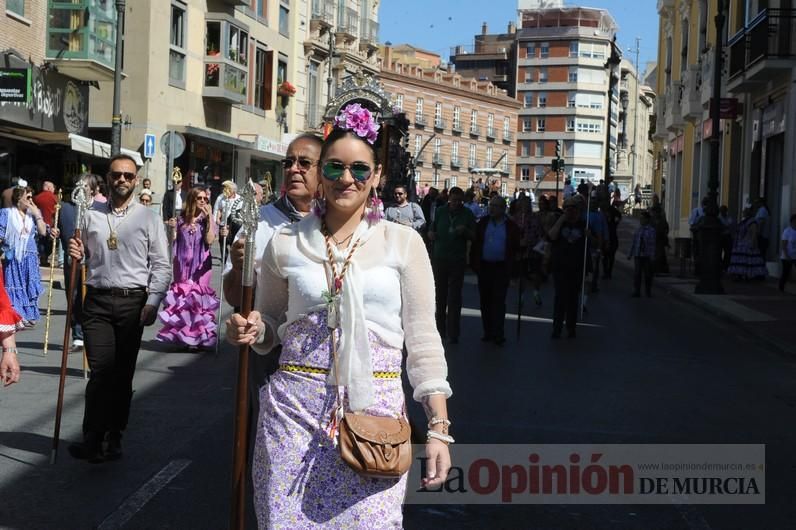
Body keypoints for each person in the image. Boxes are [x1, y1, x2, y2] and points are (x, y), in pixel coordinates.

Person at [225, 103, 452, 528]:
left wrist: (438, 428)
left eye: (360, 170)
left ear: (377, 176)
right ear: (320, 175)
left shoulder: (403, 243)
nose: (347, 179)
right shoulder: (286, 243)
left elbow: (423, 340)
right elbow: (271, 324)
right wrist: (252, 326)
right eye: (334, 168)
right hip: (292, 416)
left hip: (376, 418)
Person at [66, 154, 171, 463]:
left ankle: (115, 434)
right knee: (100, 372)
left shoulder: (149, 218)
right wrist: (76, 252)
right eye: (116, 175)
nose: (122, 180)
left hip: (132, 302)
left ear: (136, 180)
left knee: (121, 375)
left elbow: (162, 266)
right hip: (97, 299)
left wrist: (153, 302)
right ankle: (92, 438)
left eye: (128, 175)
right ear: (107, 179)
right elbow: (81, 257)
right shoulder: (90, 214)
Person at [157, 187, 218, 351]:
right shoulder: (180, 220)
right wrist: (171, 229)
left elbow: (210, 240)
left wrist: (210, 217)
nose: (203, 201)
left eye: (206, 199)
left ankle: (199, 339)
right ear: (192, 199)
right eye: (200, 198)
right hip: (182, 265)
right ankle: (183, 338)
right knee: (184, 301)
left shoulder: (206, 221)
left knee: (198, 300)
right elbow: (171, 242)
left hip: (202, 266)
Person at [428, 186, 476, 344]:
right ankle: (439, 330)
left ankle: (453, 333)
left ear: (463, 200)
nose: (456, 203)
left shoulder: (467, 214)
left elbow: (474, 236)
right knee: (439, 296)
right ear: (449, 199)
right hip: (440, 257)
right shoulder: (441, 211)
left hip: (457, 259)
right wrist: (431, 234)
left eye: (459, 201)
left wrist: (466, 232)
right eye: (453, 200)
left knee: (454, 297)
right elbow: (432, 229)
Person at [471, 195, 521, 345]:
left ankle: (498, 333)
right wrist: (474, 264)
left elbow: (516, 248)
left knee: (499, 301)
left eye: (496, 206)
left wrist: (516, 270)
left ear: (503, 209)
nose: (491, 208)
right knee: (485, 301)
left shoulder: (511, 226)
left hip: (501, 268)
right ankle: (488, 331)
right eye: (491, 205)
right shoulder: (483, 223)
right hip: (484, 266)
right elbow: (476, 244)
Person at [0, 187, 50, 326]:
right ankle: (17, 316)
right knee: (15, 286)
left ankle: (27, 315)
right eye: (27, 197)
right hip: (14, 257)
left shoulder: (32, 215)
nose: (31, 200)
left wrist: (37, 214)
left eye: (31, 197)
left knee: (29, 286)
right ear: (18, 199)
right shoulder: (7, 213)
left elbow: (43, 231)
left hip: (31, 258)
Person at [548, 196, 588, 339]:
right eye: (567, 208)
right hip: (560, 267)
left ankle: (571, 327)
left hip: (576, 268)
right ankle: (557, 327)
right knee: (560, 298)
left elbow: (594, 243)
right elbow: (551, 237)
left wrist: (589, 236)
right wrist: (561, 220)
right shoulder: (560, 224)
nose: (570, 211)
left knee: (572, 299)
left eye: (573, 208)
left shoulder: (584, 225)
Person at [57, 183, 85, 351]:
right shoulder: (64, 208)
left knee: (88, 299)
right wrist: (54, 232)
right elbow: (55, 229)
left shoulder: (99, 208)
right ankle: (78, 335)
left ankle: (89, 334)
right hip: (71, 261)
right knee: (73, 297)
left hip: (92, 263)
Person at [728, 208, 768, 281]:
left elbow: (754, 234)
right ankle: (740, 274)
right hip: (741, 243)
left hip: (747, 243)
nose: (743, 213)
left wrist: (753, 243)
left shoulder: (752, 222)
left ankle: (749, 275)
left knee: (749, 260)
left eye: (745, 212)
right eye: (744, 212)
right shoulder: (744, 222)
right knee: (741, 260)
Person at [628, 211, 656, 297]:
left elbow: (652, 244)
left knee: (648, 274)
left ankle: (648, 290)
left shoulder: (651, 230)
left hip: (647, 255)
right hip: (638, 254)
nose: (641, 220)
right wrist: (630, 254)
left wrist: (652, 255)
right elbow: (634, 242)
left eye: (643, 218)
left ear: (647, 219)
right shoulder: (638, 230)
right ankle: (637, 291)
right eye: (640, 219)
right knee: (637, 273)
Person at [33, 180, 59, 266]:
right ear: (48, 188)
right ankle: (45, 258)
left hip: (38, 224)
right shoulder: (55, 198)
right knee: (49, 243)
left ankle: (41, 257)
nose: (53, 190)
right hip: (51, 224)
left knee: (40, 242)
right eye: (52, 188)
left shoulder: (36, 198)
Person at [216, 180, 243, 258]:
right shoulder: (222, 199)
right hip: (223, 224)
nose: (225, 191)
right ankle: (224, 258)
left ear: (233, 191)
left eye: (228, 189)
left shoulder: (239, 199)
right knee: (222, 242)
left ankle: (232, 259)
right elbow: (220, 209)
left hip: (233, 225)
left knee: (232, 243)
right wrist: (218, 218)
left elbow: (239, 213)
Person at [602, 200, 622, 279]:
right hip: (610, 240)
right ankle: (606, 272)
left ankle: (608, 272)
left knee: (609, 257)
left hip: (611, 240)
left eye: (607, 212)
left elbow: (619, 216)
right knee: (607, 257)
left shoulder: (612, 222)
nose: (606, 214)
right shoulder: (608, 221)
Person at [779, 214, 796, 292]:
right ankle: (781, 288)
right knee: (785, 273)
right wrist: (787, 256)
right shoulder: (787, 231)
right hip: (787, 257)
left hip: (795, 256)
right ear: (792, 221)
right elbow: (784, 245)